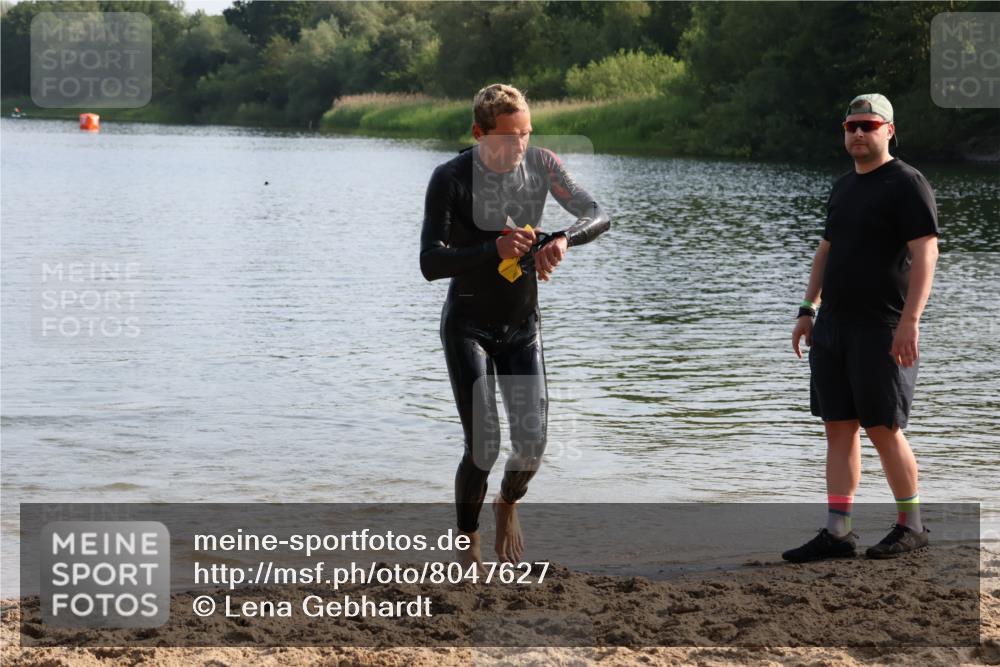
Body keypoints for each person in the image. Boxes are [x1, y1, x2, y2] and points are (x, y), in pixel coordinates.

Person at [420, 83, 610, 569]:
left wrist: (563, 239)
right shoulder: (451, 178)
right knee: (483, 446)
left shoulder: (542, 165)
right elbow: (430, 261)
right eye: (508, 137)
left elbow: (598, 214)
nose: (519, 146)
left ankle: (507, 502)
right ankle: (467, 539)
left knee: (532, 444)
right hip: (468, 327)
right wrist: (492, 250)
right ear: (479, 134)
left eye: (526, 133)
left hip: (522, 326)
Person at [783, 94, 940, 562]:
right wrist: (808, 308)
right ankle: (838, 532)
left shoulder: (907, 183)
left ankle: (911, 525)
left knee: (883, 426)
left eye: (867, 125)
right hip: (834, 326)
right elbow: (826, 251)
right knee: (838, 428)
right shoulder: (843, 187)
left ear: (888, 130)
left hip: (882, 326)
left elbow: (926, 254)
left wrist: (910, 321)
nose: (856, 133)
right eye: (850, 126)